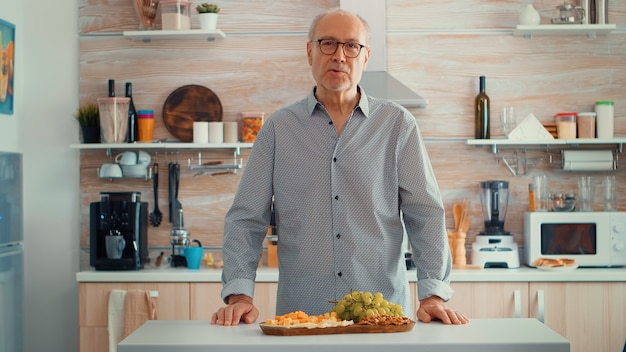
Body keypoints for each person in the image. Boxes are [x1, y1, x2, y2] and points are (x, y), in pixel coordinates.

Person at [211, 8, 468, 327]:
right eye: (328, 43)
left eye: (351, 46)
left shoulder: (398, 125)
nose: (340, 56)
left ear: (366, 56)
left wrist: (433, 294)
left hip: (382, 318)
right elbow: (246, 218)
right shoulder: (278, 129)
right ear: (310, 51)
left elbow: (425, 213)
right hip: (300, 318)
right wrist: (239, 295)